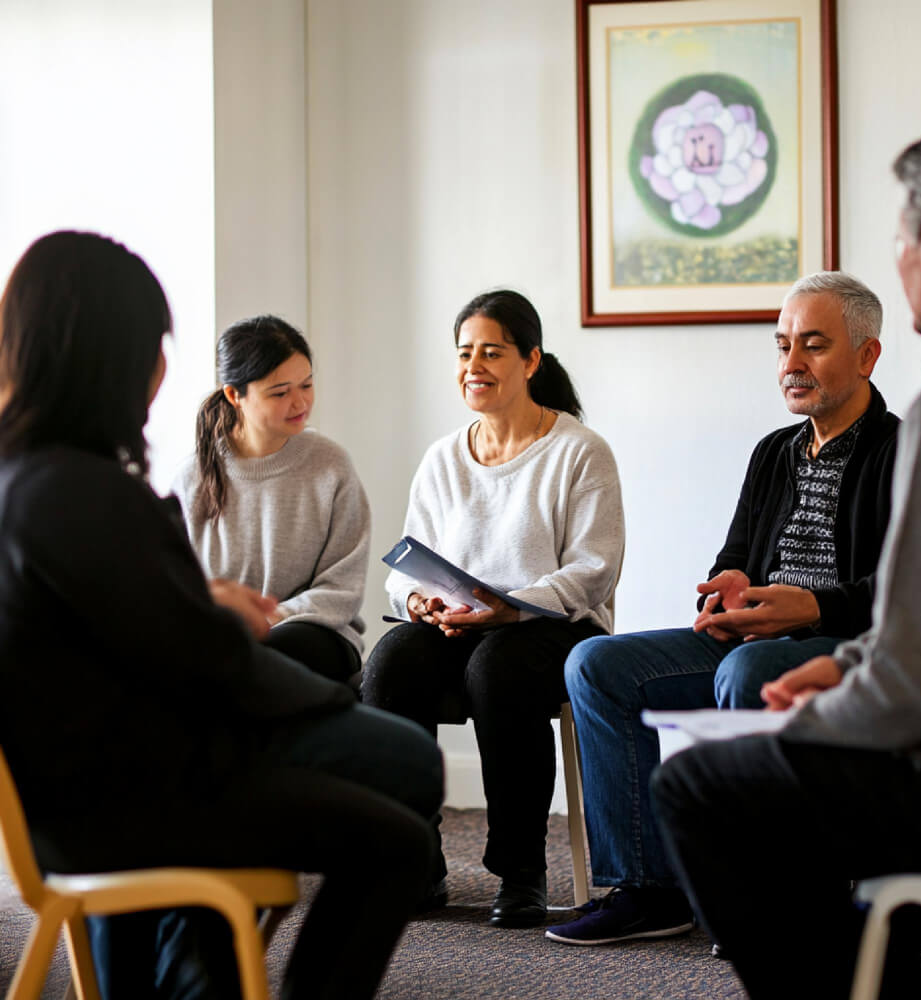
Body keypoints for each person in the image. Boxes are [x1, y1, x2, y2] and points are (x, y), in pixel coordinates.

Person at [0, 230, 442, 1000]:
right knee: (405, 786)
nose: (164, 367)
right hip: (127, 794)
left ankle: (190, 964)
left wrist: (199, 603)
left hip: (76, 787)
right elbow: (197, 660)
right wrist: (229, 622)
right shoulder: (85, 490)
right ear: (109, 358)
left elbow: (120, 627)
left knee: (383, 769)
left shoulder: (31, 482)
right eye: (154, 345)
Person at [651, 125, 921, 1000]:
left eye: (899, 235)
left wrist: (800, 717)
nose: (792, 360)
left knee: (699, 782)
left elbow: (918, 678)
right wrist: (843, 665)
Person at [547, 271, 900, 946]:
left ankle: (767, 893)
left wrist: (812, 609)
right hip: (757, 637)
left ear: (867, 355)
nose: (791, 364)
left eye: (814, 345)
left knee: (750, 671)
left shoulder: (905, 452)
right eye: (782, 345)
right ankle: (650, 888)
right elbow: (734, 557)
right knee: (595, 662)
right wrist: (728, 588)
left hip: (849, 647)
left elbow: (904, 596)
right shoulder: (774, 452)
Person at [361, 289, 625, 928]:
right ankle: (415, 863)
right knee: (390, 664)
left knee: (497, 670)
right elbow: (406, 570)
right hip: (458, 627)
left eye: (491, 352)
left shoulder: (578, 451)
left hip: (551, 628)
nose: (473, 366)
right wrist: (419, 600)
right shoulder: (443, 458)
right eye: (464, 353)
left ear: (530, 360)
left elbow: (592, 573)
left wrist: (509, 610)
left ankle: (521, 872)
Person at [173, 316, 369, 683]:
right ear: (235, 395)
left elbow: (342, 589)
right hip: (224, 637)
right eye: (280, 392)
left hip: (317, 633)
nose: (300, 402)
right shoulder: (192, 479)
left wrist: (268, 617)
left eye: (307, 385)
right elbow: (180, 590)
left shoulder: (331, 465)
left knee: (270, 654)